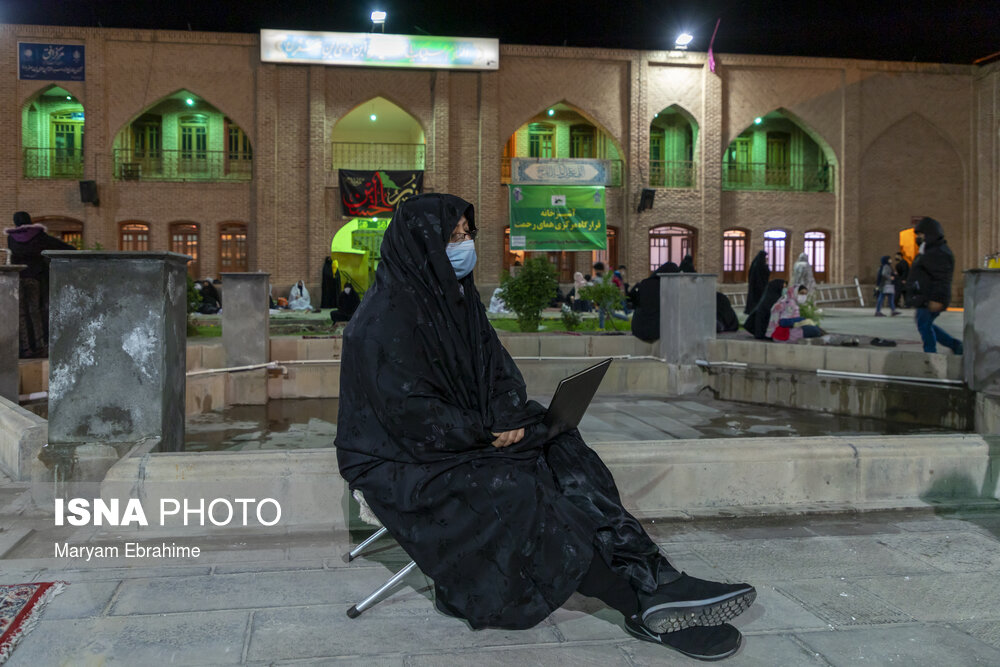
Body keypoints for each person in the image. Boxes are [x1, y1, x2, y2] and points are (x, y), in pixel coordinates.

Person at [336, 194, 754, 660]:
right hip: (400, 457)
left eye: (466, 234)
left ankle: (653, 574)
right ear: (420, 246)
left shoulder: (458, 304)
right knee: (515, 487)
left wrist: (509, 417)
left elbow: (498, 371)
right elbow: (406, 411)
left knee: (559, 446)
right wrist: (483, 432)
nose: (465, 244)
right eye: (452, 237)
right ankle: (638, 600)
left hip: (464, 435)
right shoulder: (376, 323)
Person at [4, 211, 76, 358]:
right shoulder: (38, 235)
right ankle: (40, 345)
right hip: (35, 278)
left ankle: (26, 348)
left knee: (22, 314)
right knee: (36, 312)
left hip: (18, 278)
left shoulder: (11, 239)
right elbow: (60, 246)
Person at [907, 217, 962, 354]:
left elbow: (941, 278)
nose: (919, 238)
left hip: (932, 296)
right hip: (925, 295)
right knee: (924, 323)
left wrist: (937, 298)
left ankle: (930, 353)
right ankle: (956, 346)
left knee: (924, 324)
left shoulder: (939, 252)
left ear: (929, 233)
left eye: (921, 235)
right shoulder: (927, 250)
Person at [630, 262, 679, 342]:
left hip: (637, 329)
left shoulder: (645, 283)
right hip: (655, 332)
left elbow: (634, 301)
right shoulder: (666, 287)